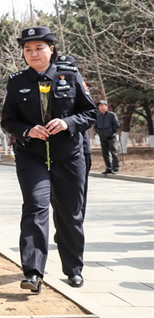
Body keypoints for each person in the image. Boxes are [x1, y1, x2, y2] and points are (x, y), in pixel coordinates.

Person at [1, 27, 96, 293]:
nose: (33, 54)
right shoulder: (17, 81)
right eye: (27, 49)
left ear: (51, 49)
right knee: (35, 206)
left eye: (39, 48)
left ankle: (73, 268)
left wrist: (67, 123)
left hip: (69, 157)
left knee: (70, 213)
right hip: (32, 156)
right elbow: (8, 119)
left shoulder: (70, 75)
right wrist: (27, 130)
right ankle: (33, 272)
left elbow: (90, 113)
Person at [55, 55, 92, 217]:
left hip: (81, 149)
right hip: (57, 151)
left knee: (78, 193)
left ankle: (75, 226)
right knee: (56, 195)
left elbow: (90, 114)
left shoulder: (79, 88)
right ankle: (63, 228)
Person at [95, 100, 120, 174]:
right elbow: (95, 126)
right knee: (105, 153)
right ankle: (108, 168)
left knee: (113, 152)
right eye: (100, 106)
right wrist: (99, 132)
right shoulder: (98, 116)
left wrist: (111, 132)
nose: (101, 107)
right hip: (102, 137)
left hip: (111, 137)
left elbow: (116, 125)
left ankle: (115, 168)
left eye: (103, 105)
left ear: (106, 106)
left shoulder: (112, 115)